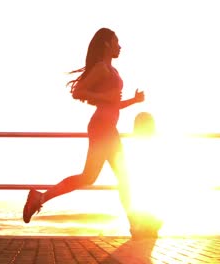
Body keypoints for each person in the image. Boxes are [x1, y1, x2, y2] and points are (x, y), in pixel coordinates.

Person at [22, 27, 145, 235]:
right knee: (116, 177)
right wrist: (107, 98)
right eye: (116, 42)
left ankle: (40, 198)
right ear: (106, 44)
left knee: (95, 177)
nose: (120, 46)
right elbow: (78, 92)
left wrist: (133, 100)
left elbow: (112, 104)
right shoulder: (101, 68)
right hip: (102, 127)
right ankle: (136, 225)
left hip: (108, 127)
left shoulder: (111, 69)